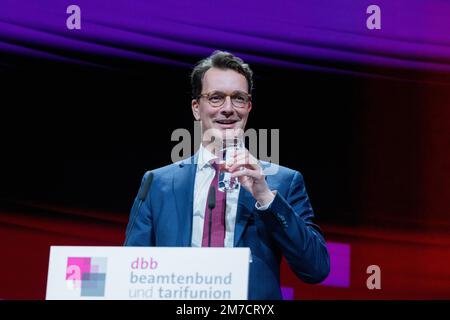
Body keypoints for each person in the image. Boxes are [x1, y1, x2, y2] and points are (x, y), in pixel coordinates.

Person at [124, 51, 330, 299]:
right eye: (216, 98)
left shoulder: (282, 182)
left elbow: (316, 269)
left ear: (249, 107)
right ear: (196, 108)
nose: (228, 109)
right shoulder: (158, 184)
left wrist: (265, 197)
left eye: (239, 99)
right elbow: (130, 271)